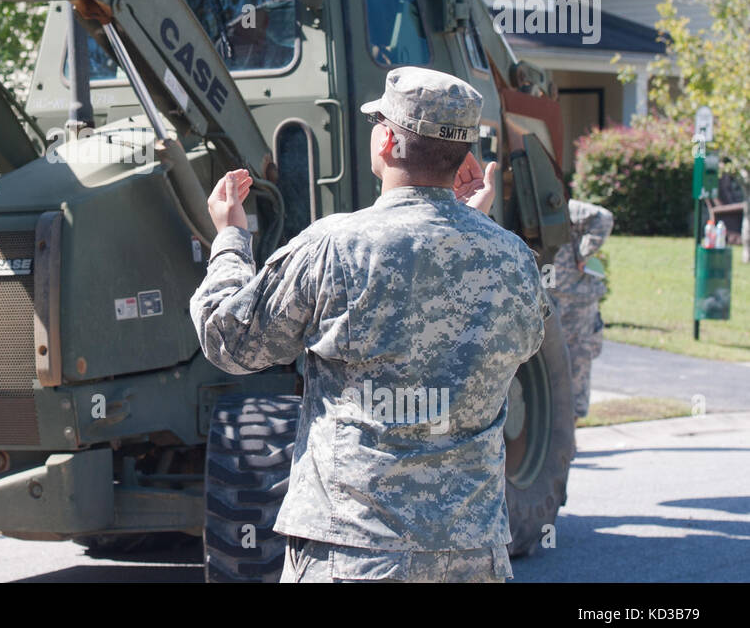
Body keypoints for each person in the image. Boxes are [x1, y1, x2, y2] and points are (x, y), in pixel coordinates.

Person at [190, 66, 550, 583]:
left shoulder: (335, 246)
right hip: (475, 555)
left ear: (385, 140)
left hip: (356, 552)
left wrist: (230, 240)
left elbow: (229, 341)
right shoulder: (512, 259)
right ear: (464, 156)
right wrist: (471, 227)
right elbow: (520, 343)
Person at [548, 198, 614, 419]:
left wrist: (583, 254)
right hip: (550, 298)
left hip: (578, 302)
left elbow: (603, 218)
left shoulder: (563, 207)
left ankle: (573, 431)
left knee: (578, 363)